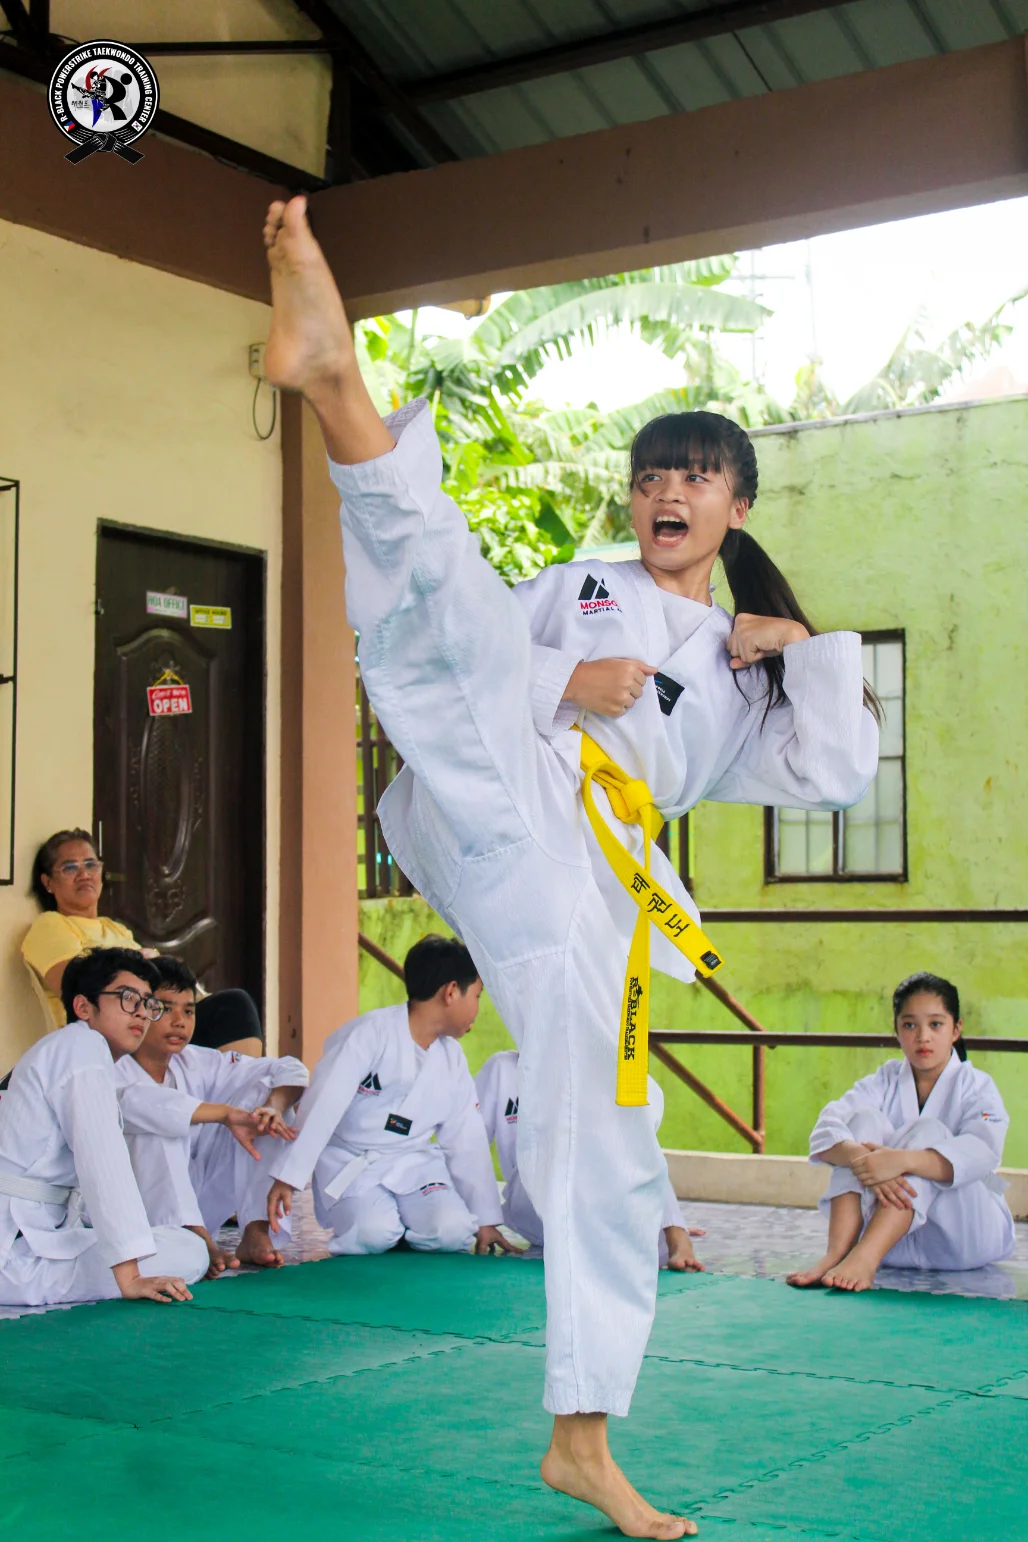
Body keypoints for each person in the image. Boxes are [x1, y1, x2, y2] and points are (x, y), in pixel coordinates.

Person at [260, 194, 877, 1539]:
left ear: (737, 504)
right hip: (505, 780)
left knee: (612, 1139)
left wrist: (801, 652)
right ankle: (336, 382)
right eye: (652, 475)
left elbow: (833, 776)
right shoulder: (584, 588)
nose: (667, 494)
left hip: (593, 884)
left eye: (696, 477)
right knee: (449, 615)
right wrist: (565, 678)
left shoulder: (744, 667)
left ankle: (580, 1438)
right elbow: (473, 651)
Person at [267, 936, 512, 1257]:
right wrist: (289, 1177)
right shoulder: (368, 1035)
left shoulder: (452, 1058)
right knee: (372, 1233)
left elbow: (467, 1139)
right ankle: (395, 1228)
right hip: (352, 1162)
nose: (478, 1009)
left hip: (413, 1164)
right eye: (477, 996)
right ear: (451, 992)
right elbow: (322, 1105)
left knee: (452, 1231)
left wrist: (486, 1219)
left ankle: (407, 1227)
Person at [0, 948, 208, 1307]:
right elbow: (102, 1159)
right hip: (15, 1255)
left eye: (148, 1004)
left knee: (182, 1244)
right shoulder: (82, 1047)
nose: (142, 1013)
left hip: (31, 1236)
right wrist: (130, 1276)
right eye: (128, 999)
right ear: (84, 1007)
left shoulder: (68, 1049)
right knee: (188, 1251)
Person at [787, 972, 1014, 1293]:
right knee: (860, 1121)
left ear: (956, 1029)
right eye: (909, 1025)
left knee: (929, 1131)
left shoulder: (977, 1086)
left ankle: (864, 1258)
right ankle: (837, 1253)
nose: (922, 1036)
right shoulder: (883, 1080)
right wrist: (863, 1159)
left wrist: (902, 1161)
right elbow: (826, 1128)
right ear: (896, 1030)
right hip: (892, 1246)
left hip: (963, 1238)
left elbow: (983, 1151)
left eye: (935, 1024)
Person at [116, 955, 308, 1276]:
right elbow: (148, 1105)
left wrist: (272, 1108)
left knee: (264, 1102)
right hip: (135, 1214)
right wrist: (224, 1114)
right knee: (159, 1124)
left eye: (189, 1011)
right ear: (141, 1009)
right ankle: (198, 1238)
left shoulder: (194, 1061)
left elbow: (288, 1069)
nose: (180, 1021)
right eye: (165, 1009)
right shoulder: (113, 1064)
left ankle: (256, 1229)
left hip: (197, 1203)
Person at [21, 829, 263, 1054]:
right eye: (70, 867)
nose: (84, 874)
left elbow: (157, 976)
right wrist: (144, 964)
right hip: (109, 1036)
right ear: (48, 882)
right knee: (231, 1008)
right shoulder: (50, 925)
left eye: (91, 864)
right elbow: (75, 986)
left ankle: (240, 1083)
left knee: (232, 1008)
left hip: (152, 1020)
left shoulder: (114, 928)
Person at [476, 1050, 704, 1271]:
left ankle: (675, 1233)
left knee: (636, 1140)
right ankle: (670, 1232)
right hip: (533, 1198)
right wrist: (485, 1219)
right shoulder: (502, 1069)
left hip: (591, 1199)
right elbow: (470, 1143)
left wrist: (658, 1219)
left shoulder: (596, 1067)